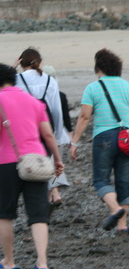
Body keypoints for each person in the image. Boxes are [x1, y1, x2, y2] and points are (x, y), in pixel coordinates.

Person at [69, 49, 129, 232]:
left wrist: (75, 142)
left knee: (101, 180)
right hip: (126, 138)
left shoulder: (92, 88)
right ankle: (123, 225)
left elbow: (84, 117)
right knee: (123, 181)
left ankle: (115, 208)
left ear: (99, 68)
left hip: (103, 138)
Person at [0, 63, 64, 269]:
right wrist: (57, 159)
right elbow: (48, 135)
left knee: (5, 214)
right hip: (36, 162)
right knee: (38, 214)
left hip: (7, 163)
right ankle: (42, 261)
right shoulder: (34, 102)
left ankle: (9, 261)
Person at [13, 50, 70, 206]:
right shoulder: (49, 80)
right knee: (46, 160)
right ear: (39, 62)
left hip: (25, 127)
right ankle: (49, 195)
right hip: (46, 124)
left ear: (21, 62)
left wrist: (12, 68)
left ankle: (40, 197)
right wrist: (58, 133)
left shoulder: (16, 79)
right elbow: (57, 110)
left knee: (28, 161)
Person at [42, 65, 72, 209]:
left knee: (47, 165)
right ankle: (54, 193)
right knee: (56, 165)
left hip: (44, 134)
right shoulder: (61, 95)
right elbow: (66, 119)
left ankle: (53, 193)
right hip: (59, 135)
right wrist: (72, 139)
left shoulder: (37, 95)